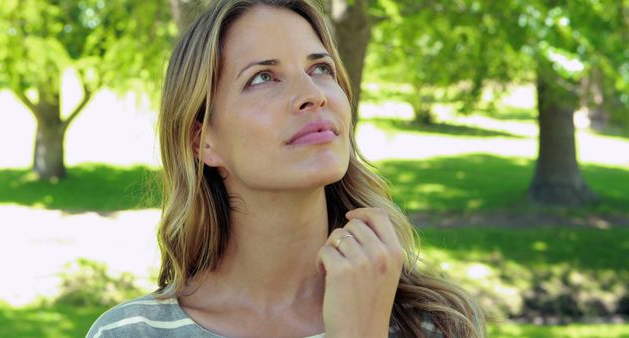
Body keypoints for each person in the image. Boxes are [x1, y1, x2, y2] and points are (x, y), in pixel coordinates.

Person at [87, 0, 486, 337]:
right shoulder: (129, 332)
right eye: (263, 77)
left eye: (320, 69)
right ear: (202, 141)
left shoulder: (435, 325)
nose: (312, 95)